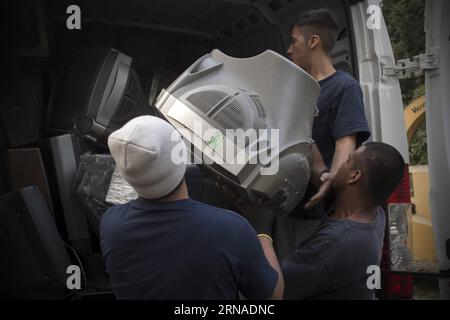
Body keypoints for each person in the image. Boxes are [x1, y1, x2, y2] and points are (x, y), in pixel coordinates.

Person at [100, 115, 283, 300]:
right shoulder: (232, 229)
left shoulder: (110, 224)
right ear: (179, 155)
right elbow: (273, 297)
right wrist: (261, 228)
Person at [230, 142, 405, 299]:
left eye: (347, 161)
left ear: (354, 176)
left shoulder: (335, 242)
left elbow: (274, 291)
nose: (341, 164)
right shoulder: (376, 215)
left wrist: (261, 226)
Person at [274, 8, 371, 259]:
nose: (289, 49)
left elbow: (345, 145)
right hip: (288, 209)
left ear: (313, 41)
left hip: (317, 214)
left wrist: (329, 182)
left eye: (294, 41)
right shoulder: (298, 89)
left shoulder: (344, 87)